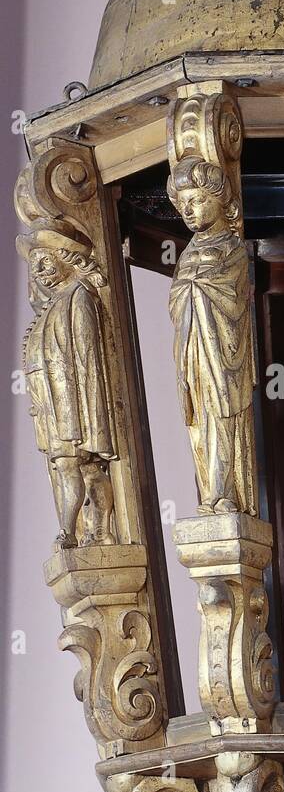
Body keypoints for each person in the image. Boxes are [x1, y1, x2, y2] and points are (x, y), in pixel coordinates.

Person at [17, 220, 116, 548]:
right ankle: (89, 531)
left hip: (71, 407)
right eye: (35, 266)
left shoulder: (77, 297)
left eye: (46, 261)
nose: (41, 271)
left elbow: (89, 359)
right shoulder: (50, 307)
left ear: (65, 258)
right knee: (73, 469)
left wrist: (89, 417)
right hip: (51, 405)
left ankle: (69, 532)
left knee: (72, 465)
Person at [168, 156, 258, 515]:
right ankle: (210, 492)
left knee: (223, 419)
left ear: (220, 200)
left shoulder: (232, 248)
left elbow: (231, 300)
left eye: (197, 200)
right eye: (183, 204)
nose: (189, 211)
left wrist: (196, 287)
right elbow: (178, 300)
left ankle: (223, 493)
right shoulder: (187, 255)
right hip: (193, 354)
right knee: (200, 422)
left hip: (222, 354)